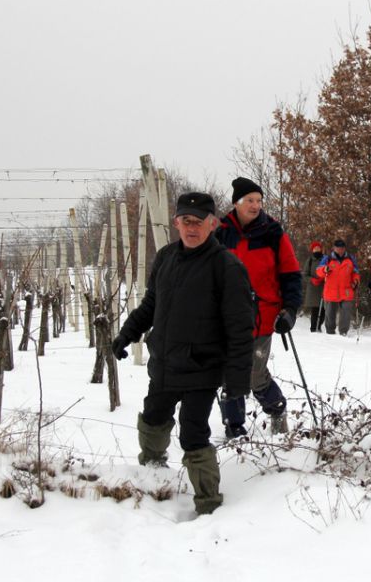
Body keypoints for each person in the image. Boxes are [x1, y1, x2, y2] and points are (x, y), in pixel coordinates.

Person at [111, 191, 254, 515]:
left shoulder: (226, 267)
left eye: (198, 222)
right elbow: (151, 305)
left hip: (203, 369)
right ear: (176, 223)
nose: (191, 228)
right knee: (153, 417)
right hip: (164, 363)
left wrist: (237, 381)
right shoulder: (165, 258)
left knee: (193, 432)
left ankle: (208, 502)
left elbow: (239, 329)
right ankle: (152, 471)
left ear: (213, 224)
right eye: (185, 221)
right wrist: (126, 334)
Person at [214, 177, 302, 437]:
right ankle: (234, 427)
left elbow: (291, 273)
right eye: (250, 200)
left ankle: (277, 410)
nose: (255, 206)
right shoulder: (220, 232)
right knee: (230, 373)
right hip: (227, 316)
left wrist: (291, 309)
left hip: (262, 315)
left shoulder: (272, 232)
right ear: (236, 203)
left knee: (254, 374)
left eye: (259, 201)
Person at [317, 239, 360, 336]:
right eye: (338, 248)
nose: (340, 250)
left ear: (344, 248)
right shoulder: (327, 258)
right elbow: (318, 271)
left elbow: (356, 272)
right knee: (330, 314)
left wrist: (356, 281)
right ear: (334, 248)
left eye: (342, 248)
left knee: (346, 312)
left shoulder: (351, 259)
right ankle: (330, 332)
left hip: (347, 290)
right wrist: (324, 269)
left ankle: (343, 332)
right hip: (331, 290)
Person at [302, 240, 325, 332]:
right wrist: (312, 279)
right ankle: (313, 328)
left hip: (324, 287)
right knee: (315, 310)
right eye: (315, 248)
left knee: (323, 309)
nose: (317, 250)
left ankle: (319, 327)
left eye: (318, 248)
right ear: (312, 250)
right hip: (313, 289)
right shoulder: (310, 260)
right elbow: (305, 274)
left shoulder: (325, 259)